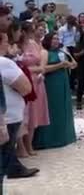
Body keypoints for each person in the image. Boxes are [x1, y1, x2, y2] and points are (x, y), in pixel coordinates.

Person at [0, 32, 38, 179]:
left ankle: (14, 167)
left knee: (7, 149)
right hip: (8, 115)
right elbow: (26, 87)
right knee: (6, 147)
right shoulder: (4, 63)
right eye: (6, 41)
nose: (8, 45)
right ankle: (12, 169)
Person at [33, 33, 77, 150]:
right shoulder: (45, 52)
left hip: (63, 83)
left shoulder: (62, 52)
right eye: (54, 39)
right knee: (52, 109)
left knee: (62, 109)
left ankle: (62, 136)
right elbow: (43, 69)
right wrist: (60, 65)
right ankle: (49, 139)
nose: (56, 41)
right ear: (48, 40)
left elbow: (73, 64)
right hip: (51, 85)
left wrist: (70, 63)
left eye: (58, 39)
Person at [19, 22, 50, 155]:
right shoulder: (18, 46)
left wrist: (39, 70)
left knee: (34, 114)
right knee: (24, 113)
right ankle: (21, 146)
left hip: (37, 81)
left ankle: (30, 144)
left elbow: (41, 64)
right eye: (31, 31)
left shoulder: (34, 44)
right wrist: (34, 69)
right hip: (24, 80)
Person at [57, 15, 81, 93]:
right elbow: (60, 41)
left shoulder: (74, 29)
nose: (71, 25)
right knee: (66, 67)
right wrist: (64, 49)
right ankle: (67, 85)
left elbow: (76, 40)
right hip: (65, 48)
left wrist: (77, 32)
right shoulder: (62, 29)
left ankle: (72, 85)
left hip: (72, 47)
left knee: (74, 67)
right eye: (70, 24)